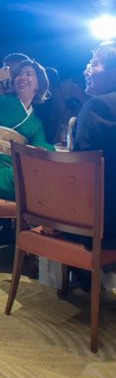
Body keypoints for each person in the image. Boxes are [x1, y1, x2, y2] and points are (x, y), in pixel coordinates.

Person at [0, 60, 54, 244]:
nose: (22, 77)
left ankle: (35, 238)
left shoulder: (35, 121)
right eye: (19, 74)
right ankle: (38, 238)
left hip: (10, 170)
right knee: (30, 183)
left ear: (39, 85)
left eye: (29, 74)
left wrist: (42, 149)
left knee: (35, 180)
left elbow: (43, 144)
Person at [73, 41, 116, 248]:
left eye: (94, 64)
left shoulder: (97, 106)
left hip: (104, 223)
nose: (86, 71)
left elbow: (81, 169)